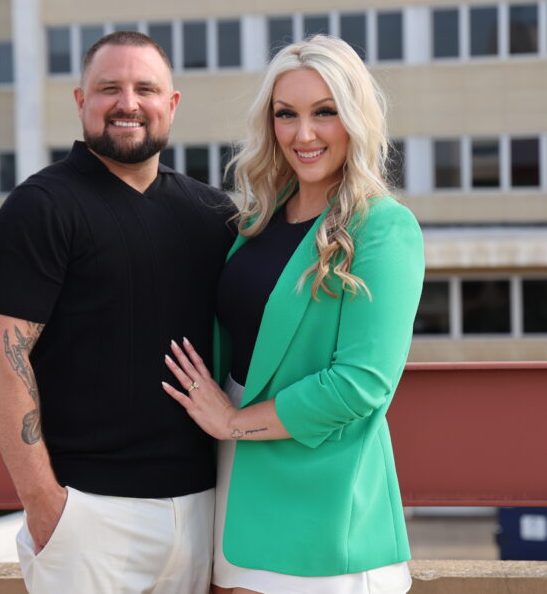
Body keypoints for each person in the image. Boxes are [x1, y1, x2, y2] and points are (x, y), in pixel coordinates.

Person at [0, 31, 235, 593]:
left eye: (146, 88)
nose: (128, 103)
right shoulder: (39, 209)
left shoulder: (214, 214)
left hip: (203, 508)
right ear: (80, 101)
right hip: (88, 514)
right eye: (109, 88)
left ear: (172, 103)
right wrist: (46, 506)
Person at [163, 35, 424, 593]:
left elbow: (361, 385)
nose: (303, 134)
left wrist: (233, 423)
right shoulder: (257, 222)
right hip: (235, 484)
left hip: (322, 506)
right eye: (288, 115)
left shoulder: (383, 227)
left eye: (324, 112)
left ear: (355, 118)